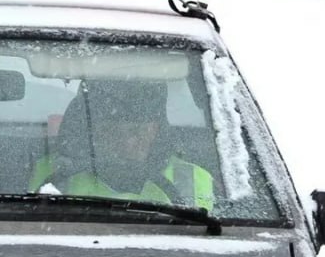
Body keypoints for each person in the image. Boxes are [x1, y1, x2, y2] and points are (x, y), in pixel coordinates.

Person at [29, 79, 216, 211]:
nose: (128, 143)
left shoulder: (193, 179)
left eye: (138, 132)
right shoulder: (50, 172)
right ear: (93, 132)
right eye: (114, 133)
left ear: (156, 130)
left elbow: (214, 236)